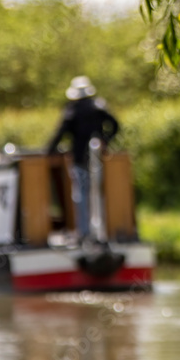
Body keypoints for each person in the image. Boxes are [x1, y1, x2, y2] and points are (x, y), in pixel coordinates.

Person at [46, 76, 120, 241]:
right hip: (99, 158)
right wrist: (105, 140)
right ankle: (103, 231)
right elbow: (115, 125)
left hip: (79, 157)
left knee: (81, 194)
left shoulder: (72, 109)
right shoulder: (98, 106)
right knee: (99, 193)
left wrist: (48, 151)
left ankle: (84, 232)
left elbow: (60, 132)